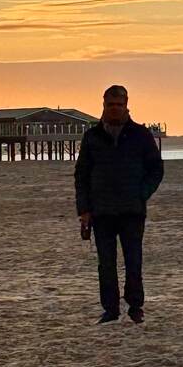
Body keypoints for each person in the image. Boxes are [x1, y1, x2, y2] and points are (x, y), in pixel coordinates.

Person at [74, 85, 164, 323]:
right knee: (106, 263)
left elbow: (156, 169)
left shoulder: (140, 135)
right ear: (103, 105)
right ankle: (110, 309)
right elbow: (81, 174)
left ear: (126, 105)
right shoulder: (92, 137)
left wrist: (142, 193)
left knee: (134, 260)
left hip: (131, 210)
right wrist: (83, 210)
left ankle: (135, 307)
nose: (114, 109)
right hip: (101, 211)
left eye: (119, 105)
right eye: (110, 105)